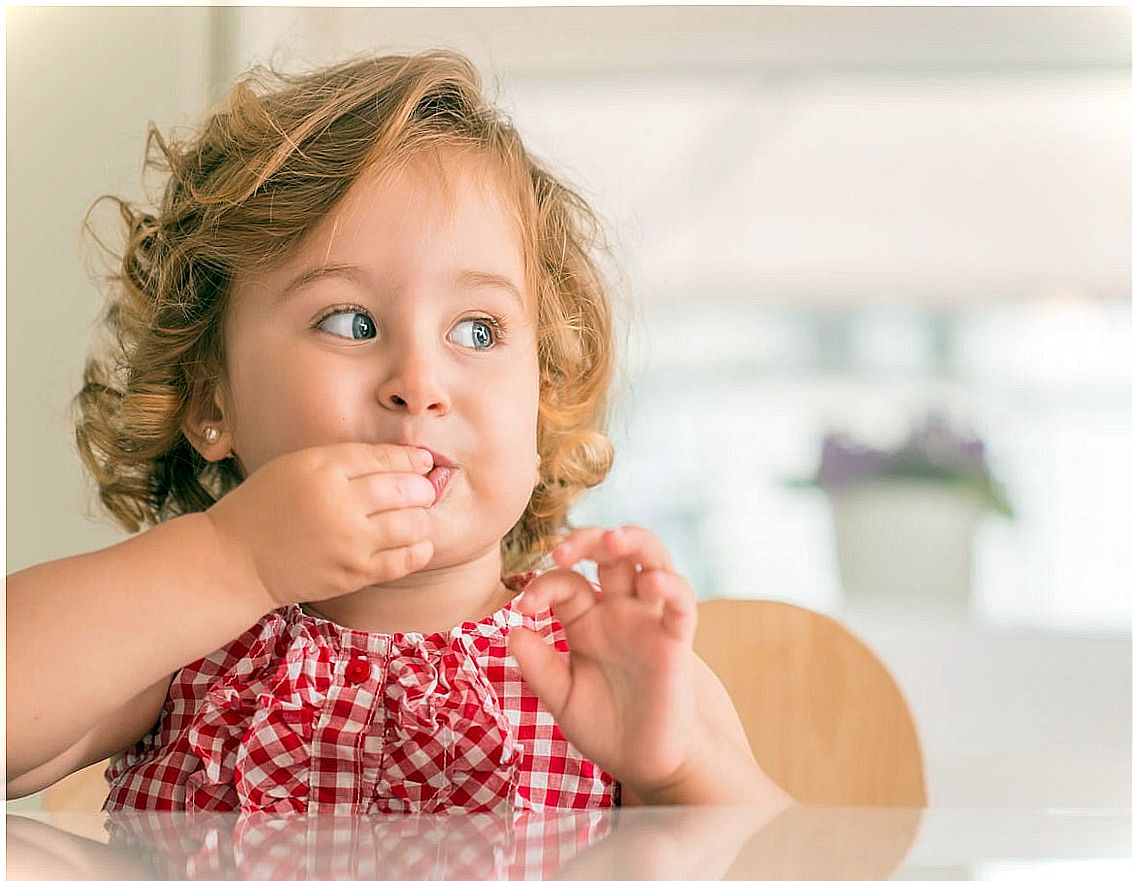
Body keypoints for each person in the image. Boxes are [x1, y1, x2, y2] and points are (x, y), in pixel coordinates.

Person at [6, 49, 791, 814]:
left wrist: (674, 771)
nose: (418, 384)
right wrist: (231, 559)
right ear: (212, 401)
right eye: (350, 322)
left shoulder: (608, 667)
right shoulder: (184, 642)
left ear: (541, 398)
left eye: (477, 332)